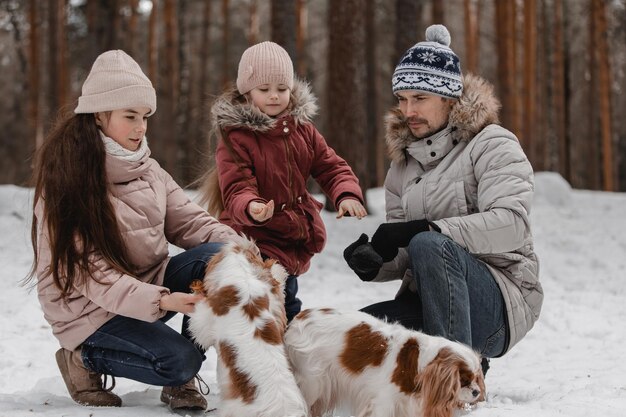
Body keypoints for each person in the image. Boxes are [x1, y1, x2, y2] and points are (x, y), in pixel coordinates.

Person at [27, 50, 241, 410]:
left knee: (221, 258)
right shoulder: (66, 181)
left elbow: (189, 221)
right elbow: (91, 275)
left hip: (144, 286)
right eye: (130, 117)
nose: (141, 127)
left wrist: (244, 252)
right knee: (179, 361)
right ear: (99, 115)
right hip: (89, 310)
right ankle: (82, 361)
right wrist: (161, 300)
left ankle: (180, 380)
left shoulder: (147, 168)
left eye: (145, 117)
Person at [343, 25, 543, 374]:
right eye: (402, 99)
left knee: (428, 243)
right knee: (356, 334)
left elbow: (512, 225)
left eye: (419, 98)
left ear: (449, 99)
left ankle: (456, 379)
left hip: (499, 305)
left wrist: (427, 229)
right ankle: (439, 364)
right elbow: (407, 254)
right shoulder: (402, 166)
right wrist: (376, 262)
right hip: (430, 303)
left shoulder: (492, 144)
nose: (408, 111)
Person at [200, 41, 367, 322]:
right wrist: (252, 205)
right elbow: (237, 185)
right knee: (264, 308)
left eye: (282, 89)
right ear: (246, 91)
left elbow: (330, 165)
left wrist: (346, 193)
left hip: (291, 236)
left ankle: (282, 359)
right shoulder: (237, 136)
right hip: (254, 237)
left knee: (287, 304)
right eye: (264, 90)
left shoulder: (304, 131)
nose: (274, 96)